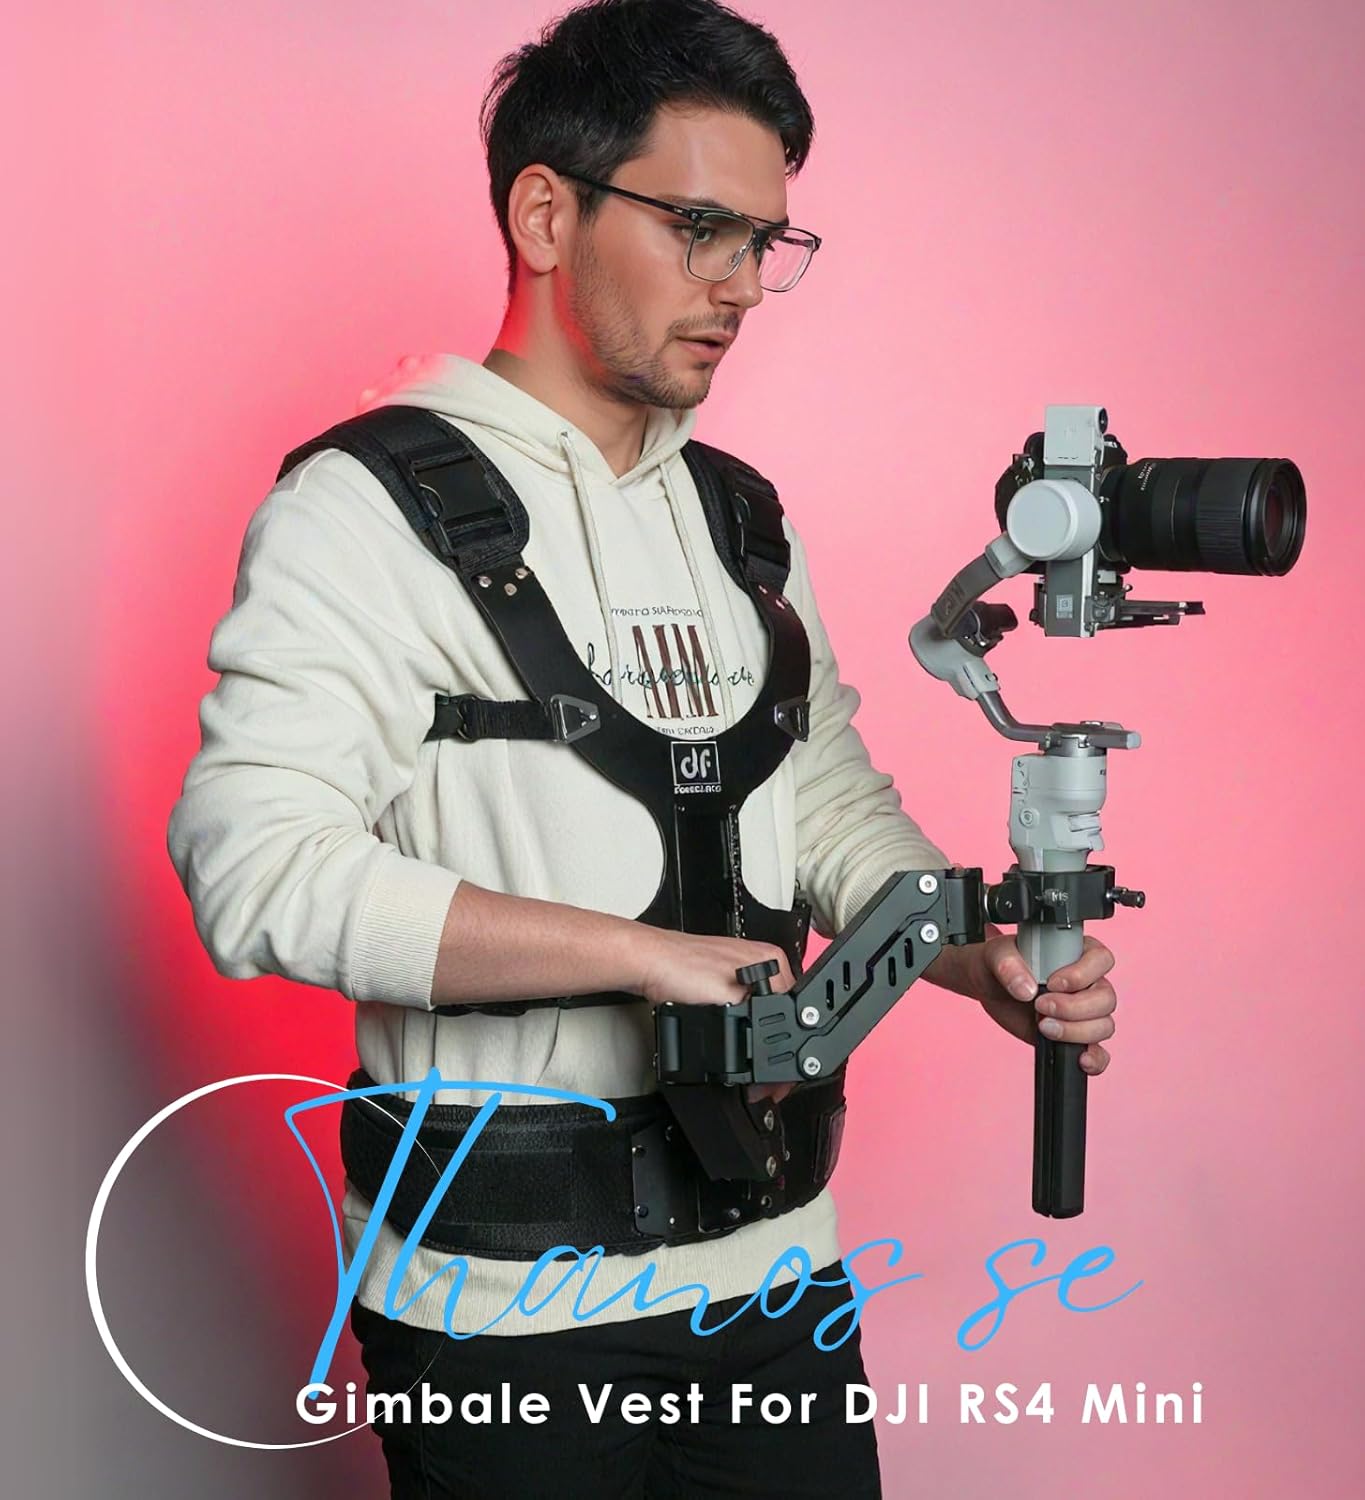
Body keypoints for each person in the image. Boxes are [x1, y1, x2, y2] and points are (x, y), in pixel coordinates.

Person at [166, 1, 1118, 1494]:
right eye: (700, 229)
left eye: (766, 243)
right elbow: (254, 870)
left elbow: (820, 798)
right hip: (502, 1312)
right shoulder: (357, 511)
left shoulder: (742, 519)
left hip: (776, 1276)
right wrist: (634, 955)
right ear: (546, 214)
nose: (740, 285)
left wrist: (964, 950)